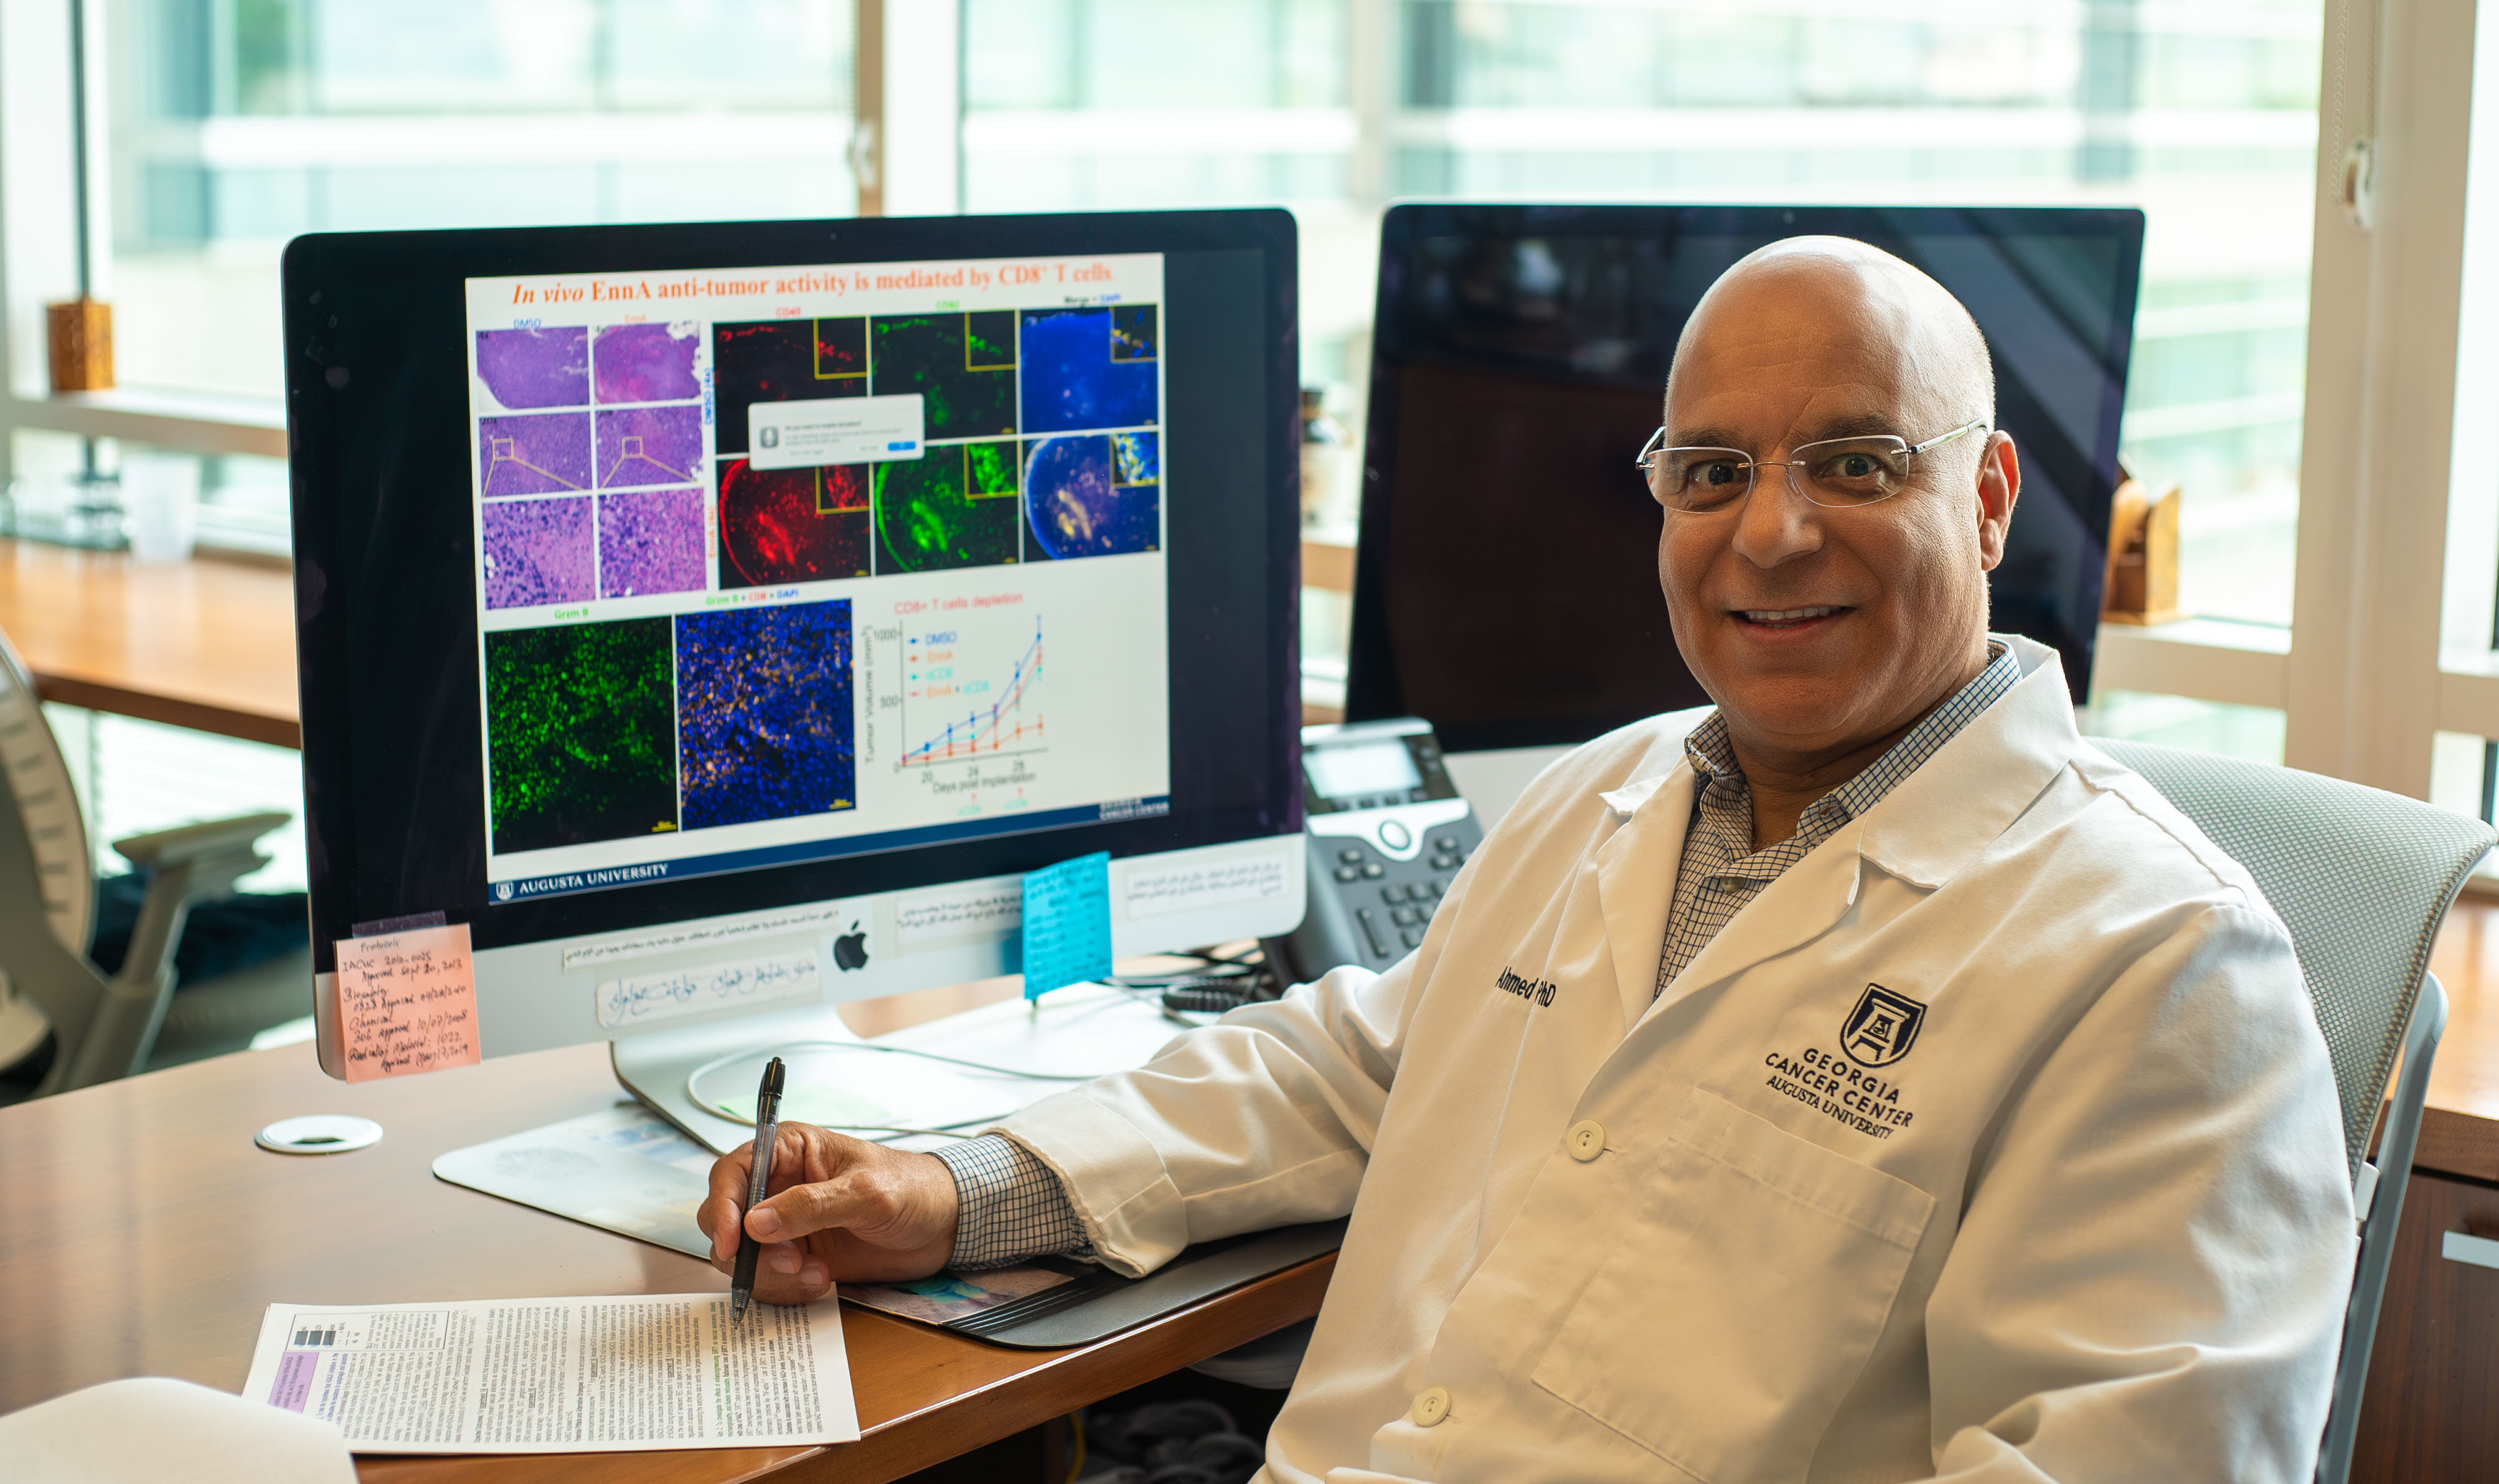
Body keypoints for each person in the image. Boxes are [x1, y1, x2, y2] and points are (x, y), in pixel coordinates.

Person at [702, 237, 2356, 1482]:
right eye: (1712, 474)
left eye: (1856, 463)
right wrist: (955, 1190)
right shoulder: (1611, 796)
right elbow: (1346, 1074)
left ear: (1990, 498)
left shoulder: (2163, 970)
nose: (1770, 531)